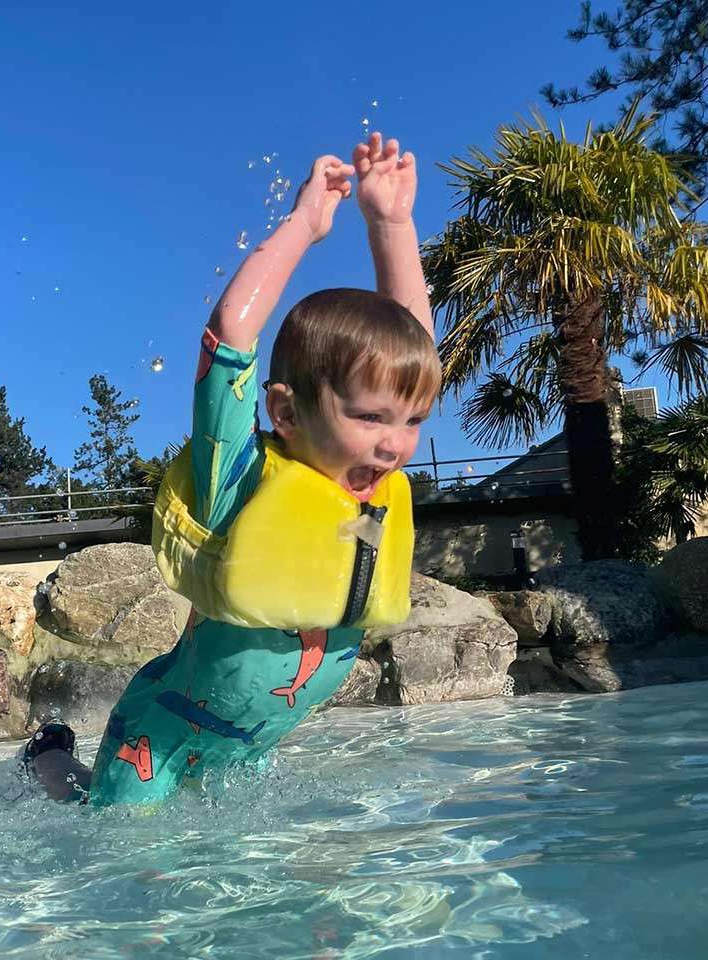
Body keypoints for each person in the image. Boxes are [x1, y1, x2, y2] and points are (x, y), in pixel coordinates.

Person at [24, 132, 440, 805]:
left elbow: (415, 355)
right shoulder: (239, 481)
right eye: (369, 417)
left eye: (412, 420)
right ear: (287, 411)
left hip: (251, 744)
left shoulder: (374, 494)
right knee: (98, 823)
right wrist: (305, 224)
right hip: (159, 740)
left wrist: (391, 225)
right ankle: (47, 759)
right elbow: (229, 340)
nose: (395, 444)